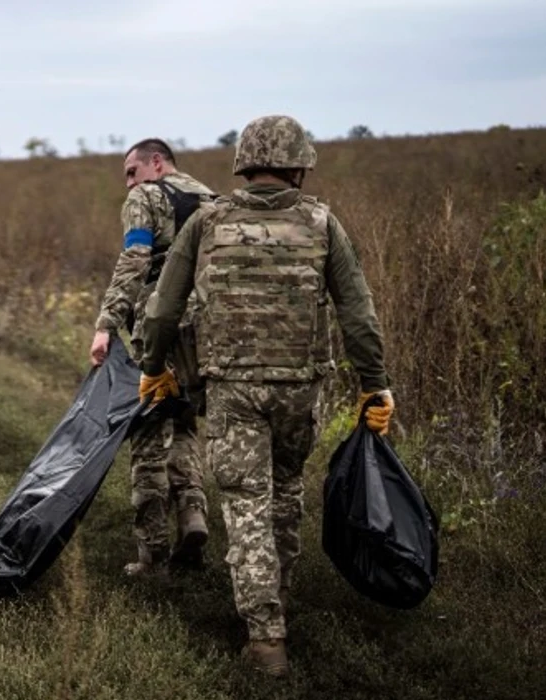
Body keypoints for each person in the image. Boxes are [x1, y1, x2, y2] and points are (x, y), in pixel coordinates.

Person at [136, 115, 393, 677]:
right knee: (285, 493)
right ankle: (277, 602)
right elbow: (358, 314)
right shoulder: (324, 224)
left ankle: (265, 636)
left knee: (245, 500)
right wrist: (376, 383)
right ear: (300, 165)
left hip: (233, 388)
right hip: (302, 388)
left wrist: (153, 368)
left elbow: (161, 309)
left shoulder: (206, 222)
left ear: (244, 164)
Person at [89, 138, 217, 577]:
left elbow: (135, 260)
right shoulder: (213, 200)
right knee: (183, 423)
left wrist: (106, 324)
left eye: (131, 171)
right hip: (208, 332)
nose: (129, 184)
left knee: (146, 430)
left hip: (160, 326)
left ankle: (153, 555)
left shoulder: (146, 197)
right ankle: (193, 516)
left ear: (156, 163)